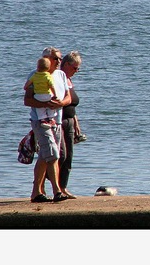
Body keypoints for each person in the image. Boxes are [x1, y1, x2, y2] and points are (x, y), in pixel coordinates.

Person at [24, 47, 70, 203]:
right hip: (41, 121)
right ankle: (57, 191)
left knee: (46, 156)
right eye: (56, 58)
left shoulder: (61, 75)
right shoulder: (35, 75)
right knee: (53, 154)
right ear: (46, 59)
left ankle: (36, 193)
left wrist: (60, 103)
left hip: (56, 120)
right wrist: (46, 104)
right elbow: (27, 100)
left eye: (60, 58)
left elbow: (68, 98)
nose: (59, 62)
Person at [58, 51, 84, 199]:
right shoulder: (59, 78)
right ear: (66, 64)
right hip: (59, 121)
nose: (76, 71)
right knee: (61, 155)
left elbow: (72, 105)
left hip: (69, 121)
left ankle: (63, 187)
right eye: (75, 68)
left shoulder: (68, 80)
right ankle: (52, 186)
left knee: (69, 157)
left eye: (78, 69)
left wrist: (76, 122)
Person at [25, 57, 61, 124]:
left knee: (39, 109)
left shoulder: (34, 75)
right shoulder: (48, 76)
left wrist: (26, 87)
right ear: (48, 68)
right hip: (47, 95)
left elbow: (27, 84)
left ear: (38, 67)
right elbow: (51, 86)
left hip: (38, 96)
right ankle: (51, 118)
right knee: (51, 105)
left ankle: (42, 119)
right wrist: (55, 95)